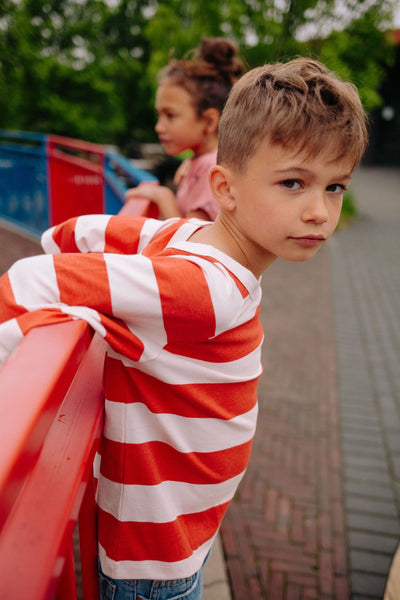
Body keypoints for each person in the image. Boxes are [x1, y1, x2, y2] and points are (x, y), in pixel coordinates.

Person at [0, 57, 368, 600]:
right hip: (157, 562)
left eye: (335, 187)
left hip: (169, 540)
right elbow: (33, 279)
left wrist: (62, 238)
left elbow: (99, 232)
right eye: (294, 182)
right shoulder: (209, 291)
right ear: (225, 187)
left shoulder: (185, 237)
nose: (319, 211)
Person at [125, 37, 245, 221]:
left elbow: (191, 241)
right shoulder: (206, 162)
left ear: (209, 121)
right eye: (159, 115)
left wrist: (162, 196)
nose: (159, 127)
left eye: (170, 115)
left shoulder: (210, 170)